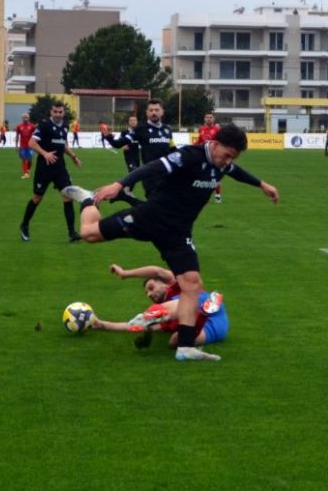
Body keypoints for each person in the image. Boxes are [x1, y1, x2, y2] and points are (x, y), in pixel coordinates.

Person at [64, 123, 279, 362]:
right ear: (215, 145)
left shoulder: (223, 164)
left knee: (191, 284)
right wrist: (119, 184)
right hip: (151, 218)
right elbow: (153, 167)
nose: (228, 162)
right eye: (227, 155)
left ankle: (185, 347)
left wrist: (262, 185)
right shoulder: (190, 155)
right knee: (88, 234)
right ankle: (87, 200)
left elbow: (236, 171)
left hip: (178, 233)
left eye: (232, 158)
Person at [92, 264, 228, 351]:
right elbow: (131, 326)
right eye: (147, 293)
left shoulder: (174, 285)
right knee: (174, 341)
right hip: (209, 326)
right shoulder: (166, 322)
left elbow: (157, 271)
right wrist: (103, 324)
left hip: (205, 303)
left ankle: (150, 317)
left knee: (176, 306)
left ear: (164, 284)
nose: (150, 294)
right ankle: (201, 315)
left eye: (151, 288)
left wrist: (125, 273)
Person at [19, 101, 82, 243]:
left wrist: (73, 156)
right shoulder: (44, 125)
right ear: (51, 112)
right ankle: (24, 225)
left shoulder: (65, 126)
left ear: (63, 113)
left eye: (60, 112)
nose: (58, 115)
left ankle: (72, 232)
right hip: (44, 168)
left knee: (68, 196)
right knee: (37, 198)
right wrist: (45, 153)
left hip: (60, 167)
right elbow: (31, 143)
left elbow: (63, 144)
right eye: (55, 112)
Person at [102, 98, 174, 199]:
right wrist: (109, 137)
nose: (154, 112)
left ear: (162, 112)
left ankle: (126, 198)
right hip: (150, 175)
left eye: (157, 110)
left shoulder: (167, 130)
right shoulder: (140, 129)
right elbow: (118, 144)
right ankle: (127, 198)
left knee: (169, 206)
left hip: (167, 174)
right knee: (154, 205)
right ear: (146, 112)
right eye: (151, 110)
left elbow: (173, 149)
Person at [196, 112, 222, 201]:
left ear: (213, 119)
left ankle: (218, 196)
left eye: (210, 117)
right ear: (204, 119)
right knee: (201, 175)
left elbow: (221, 141)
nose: (208, 119)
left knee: (215, 176)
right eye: (207, 117)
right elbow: (199, 140)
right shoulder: (201, 129)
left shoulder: (217, 129)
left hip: (215, 156)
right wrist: (192, 147)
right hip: (203, 155)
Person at [14, 112, 35, 179]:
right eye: (24, 117)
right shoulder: (19, 126)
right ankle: (26, 173)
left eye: (26, 117)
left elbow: (36, 135)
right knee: (24, 159)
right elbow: (17, 136)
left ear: (29, 118)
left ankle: (28, 169)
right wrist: (16, 145)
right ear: (22, 118)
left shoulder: (32, 126)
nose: (25, 118)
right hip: (22, 146)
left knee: (30, 159)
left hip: (30, 146)